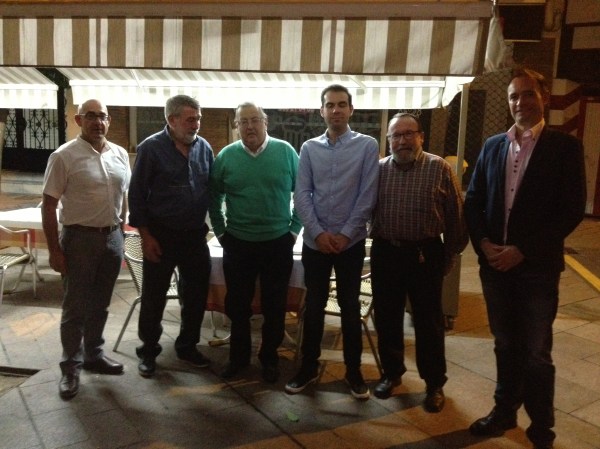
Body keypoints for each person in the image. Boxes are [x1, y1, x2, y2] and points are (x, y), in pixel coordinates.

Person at [464, 68, 586, 449]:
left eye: (528, 94)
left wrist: (523, 250)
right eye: (514, 96)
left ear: (544, 97)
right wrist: (484, 244)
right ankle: (504, 412)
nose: (520, 102)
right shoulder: (493, 146)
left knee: (536, 352)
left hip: (537, 270)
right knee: (504, 344)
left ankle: (541, 429)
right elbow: (474, 200)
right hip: (495, 267)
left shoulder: (564, 148)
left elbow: (570, 211)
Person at [369, 112, 468, 412]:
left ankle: (434, 383)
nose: (402, 141)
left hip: (425, 254)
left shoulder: (439, 168)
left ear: (421, 137)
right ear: (388, 140)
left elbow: (456, 218)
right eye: (396, 136)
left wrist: (449, 255)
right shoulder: (378, 170)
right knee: (387, 318)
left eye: (408, 134)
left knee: (429, 322)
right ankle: (392, 373)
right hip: (386, 252)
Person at [285, 84, 379, 399]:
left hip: (350, 244)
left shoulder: (367, 146)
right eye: (330, 105)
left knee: (350, 308)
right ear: (321, 110)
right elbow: (302, 194)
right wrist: (318, 233)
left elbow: (367, 195)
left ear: (351, 109)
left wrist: (345, 234)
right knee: (313, 306)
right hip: (316, 243)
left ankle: (354, 372)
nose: (335, 110)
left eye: (341, 104)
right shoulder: (309, 148)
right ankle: (308, 367)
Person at [42, 99, 131, 399]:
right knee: (75, 307)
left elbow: (123, 195)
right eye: (91, 116)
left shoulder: (119, 154)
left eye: (102, 116)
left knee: (101, 304)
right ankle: (70, 367)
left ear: (109, 121)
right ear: (79, 120)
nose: (98, 122)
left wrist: (121, 230)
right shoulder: (63, 156)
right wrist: (54, 250)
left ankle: (93, 354)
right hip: (79, 240)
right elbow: (49, 205)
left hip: (112, 238)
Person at [208, 102, 302, 383]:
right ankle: (238, 358)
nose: (249, 126)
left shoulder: (286, 152)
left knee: (275, 307)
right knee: (237, 307)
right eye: (243, 122)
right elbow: (213, 198)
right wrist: (221, 232)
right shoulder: (226, 156)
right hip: (238, 243)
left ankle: (269, 358)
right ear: (236, 126)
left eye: (255, 120)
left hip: (278, 243)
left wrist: (294, 230)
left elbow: (304, 192)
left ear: (265, 122)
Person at [128, 94, 214, 378]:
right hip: (160, 236)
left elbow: (211, 189)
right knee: (154, 297)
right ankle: (148, 350)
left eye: (198, 119)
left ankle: (187, 346)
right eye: (190, 119)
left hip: (194, 237)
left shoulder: (204, 148)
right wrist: (146, 236)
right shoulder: (151, 148)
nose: (196, 124)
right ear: (172, 120)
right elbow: (136, 196)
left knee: (196, 295)